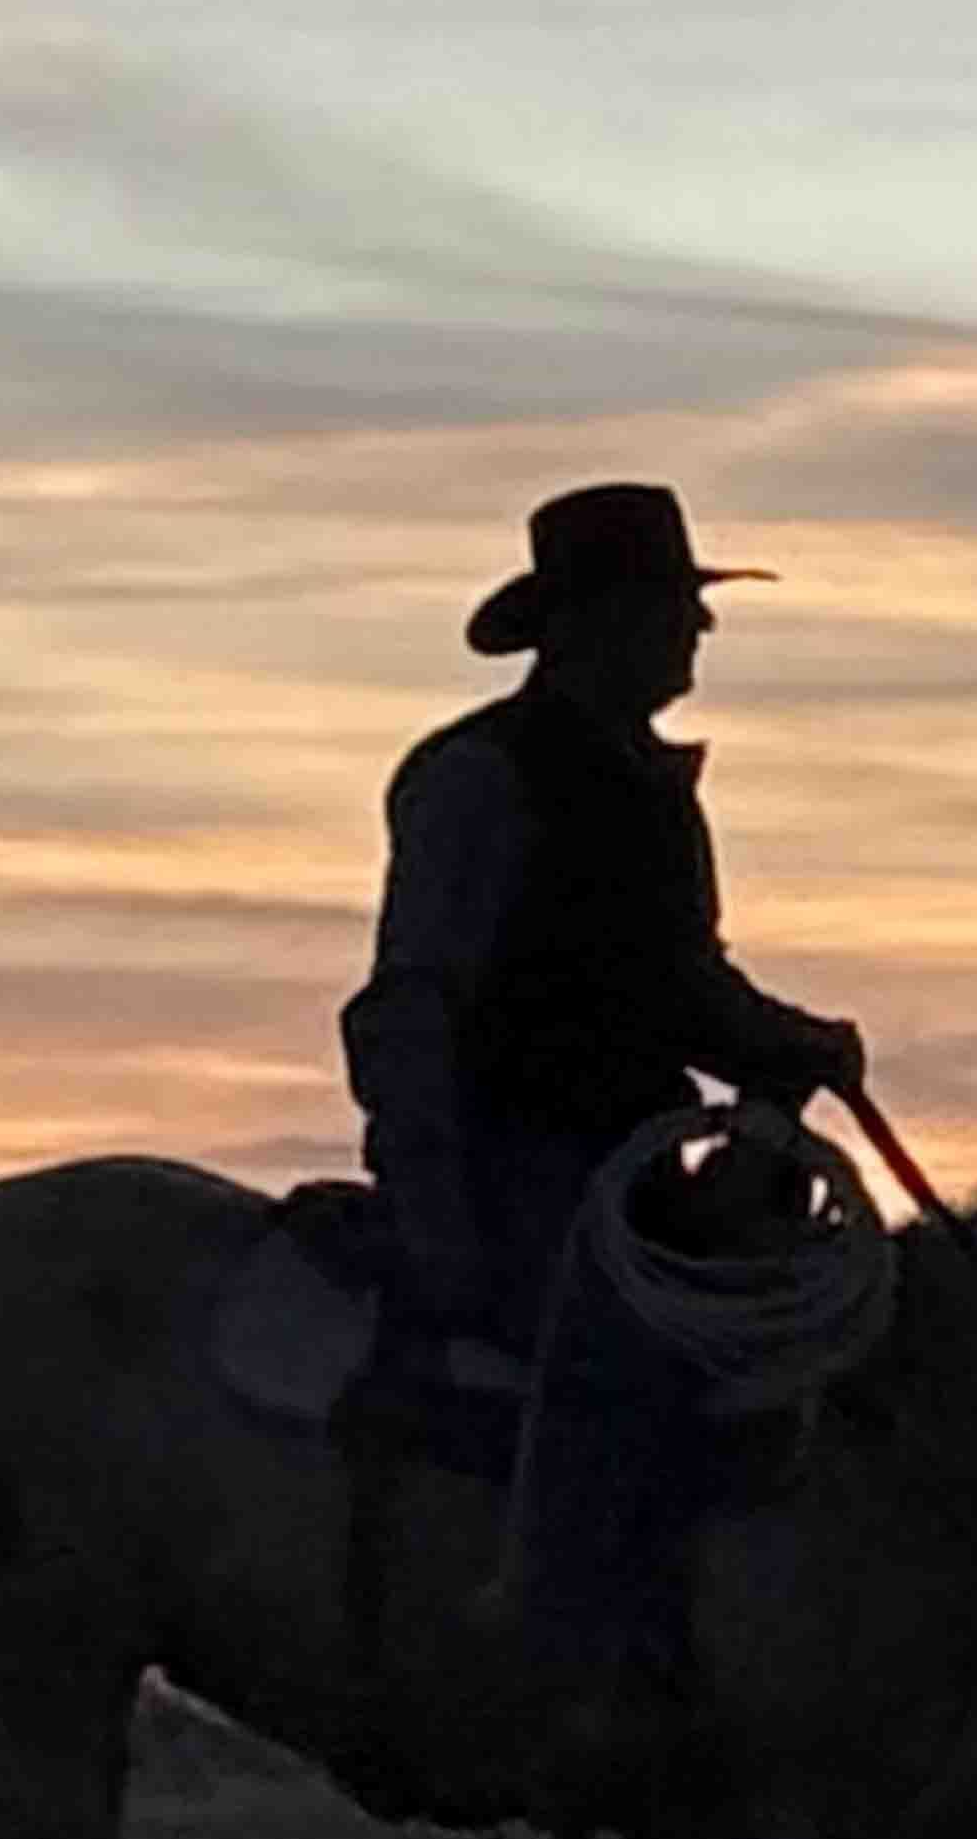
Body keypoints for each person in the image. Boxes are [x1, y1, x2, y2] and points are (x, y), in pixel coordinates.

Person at [337, 482, 866, 1353]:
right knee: (619, 1389)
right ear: (602, 618)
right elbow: (414, 1005)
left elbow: (678, 989)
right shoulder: (483, 778)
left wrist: (791, 1045)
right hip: (518, 1176)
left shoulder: (645, 788)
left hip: (624, 1168)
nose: (702, 627)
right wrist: (437, 1213)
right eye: (677, 604)